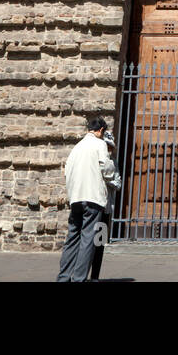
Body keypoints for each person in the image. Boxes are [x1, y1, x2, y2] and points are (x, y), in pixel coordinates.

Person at [56, 116, 119, 282]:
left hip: (76, 198)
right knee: (88, 240)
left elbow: (66, 171)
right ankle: (79, 278)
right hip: (93, 198)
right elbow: (107, 170)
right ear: (101, 131)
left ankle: (63, 277)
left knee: (72, 238)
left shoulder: (76, 147)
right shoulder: (99, 144)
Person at [89, 129, 121, 281]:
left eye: (110, 147)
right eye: (106, 146)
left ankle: (95, 276)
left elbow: (118, 182)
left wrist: (108, 180)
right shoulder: (92, 159)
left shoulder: (113, 162)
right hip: (93, 205)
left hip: (106, 208)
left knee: (99, 244)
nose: (108, 149)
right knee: (88, 242)